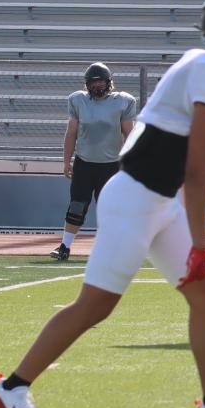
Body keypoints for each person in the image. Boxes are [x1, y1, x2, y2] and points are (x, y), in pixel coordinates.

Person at [0, 0, 205, 408]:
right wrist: (201, 247)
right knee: (95, 306)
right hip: (139, 199)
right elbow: (198, 169)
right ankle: (12, 388)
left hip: (158, 198)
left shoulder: (199, 63)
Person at [51, 62, 138, 263]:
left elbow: (129, 134)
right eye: (93, 82)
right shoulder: (78, 100)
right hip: (85, 162)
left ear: (109, 82)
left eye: (100, 82)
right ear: (87, 84)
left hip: (112, 164)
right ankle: (64, 246)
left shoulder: (123, 101)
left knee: (110, 208)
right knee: (76, 206)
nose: (97, 86)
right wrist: (66, 161)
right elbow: (71, 133)